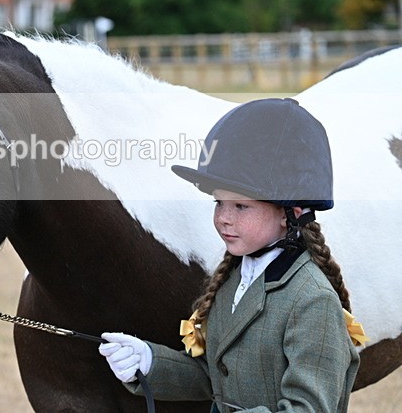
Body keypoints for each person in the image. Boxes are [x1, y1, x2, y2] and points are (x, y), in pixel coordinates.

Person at [99, 98, 367, 413]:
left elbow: (309, 409)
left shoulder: (313, 301)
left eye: (240, 206)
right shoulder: (233, 281)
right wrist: (148, 361)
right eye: (218, 203)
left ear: (290, 213)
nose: (224, 218)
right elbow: (216, 376)